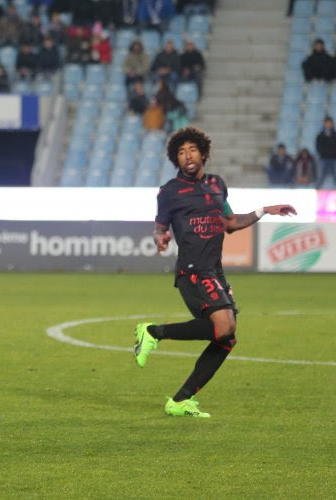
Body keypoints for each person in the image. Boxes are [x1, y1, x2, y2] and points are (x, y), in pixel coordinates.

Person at [133, 127, 296, 418]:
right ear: (176, 159)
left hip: (214, 271)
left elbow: (231, 222)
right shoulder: (169, 192)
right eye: (181, 153)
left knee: (226, 338)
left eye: (192, 150)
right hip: (192, 270)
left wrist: (264, 210)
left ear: (204, 153)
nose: (187, 156)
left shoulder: (217, 185)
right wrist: (161, 237)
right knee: (223, 327)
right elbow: (160, 228)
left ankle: (181, 400)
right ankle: (152, 332)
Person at [316, 116, 336, 188]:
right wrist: (324, 153)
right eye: (327, 123)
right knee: (321, 176)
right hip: (323, 158)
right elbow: (318, 147)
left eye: (329, 123)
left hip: (334, 158)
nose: (328, 124)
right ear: (324, 124)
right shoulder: (320, 135)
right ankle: (317, 190)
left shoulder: (334, 135)